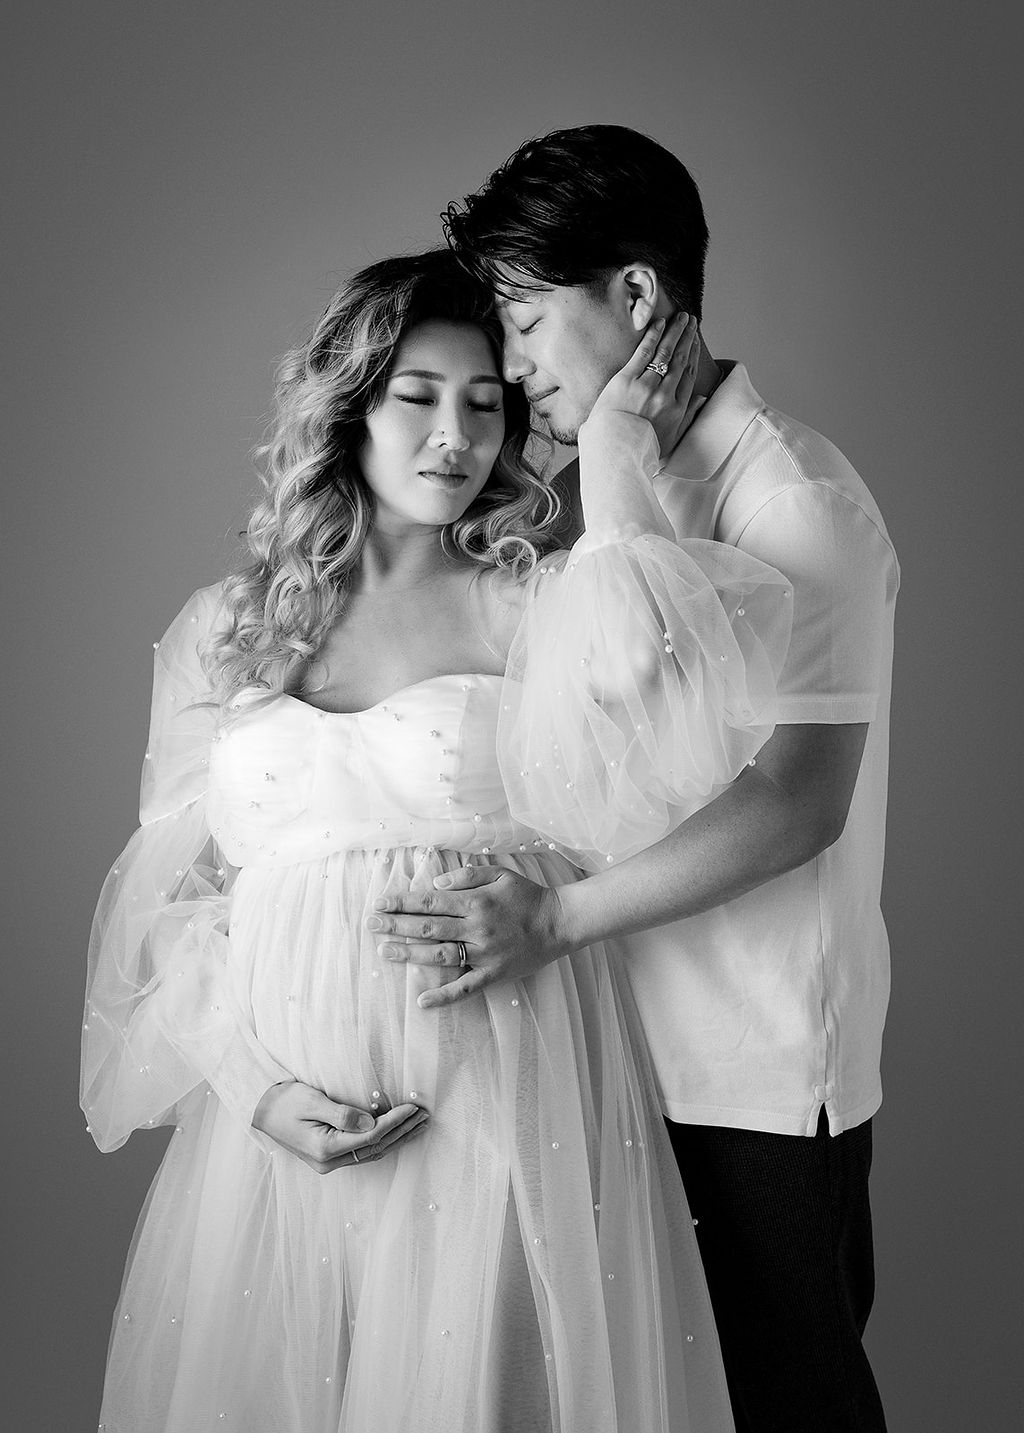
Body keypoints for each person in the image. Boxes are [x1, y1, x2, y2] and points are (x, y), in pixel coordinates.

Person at [81, 249, 792, 1432]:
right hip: (276, 1144)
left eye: (486, 402)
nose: (455, 437)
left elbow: (668, 705)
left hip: (497, 1103)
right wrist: (258, 1093)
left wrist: (612, 458)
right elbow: (173, 903)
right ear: (348, 405)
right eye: (417, 396)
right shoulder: (228, 628)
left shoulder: (533, 601)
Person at [374, 127, 899, 1432]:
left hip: (752, 1076)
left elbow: (797, 800)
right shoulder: (606, 494)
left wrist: (547, 923)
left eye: (528, 322)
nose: (512, 368)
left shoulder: (795, 501)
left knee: (786, 1403)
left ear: (640, 296)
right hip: (608, 1052)